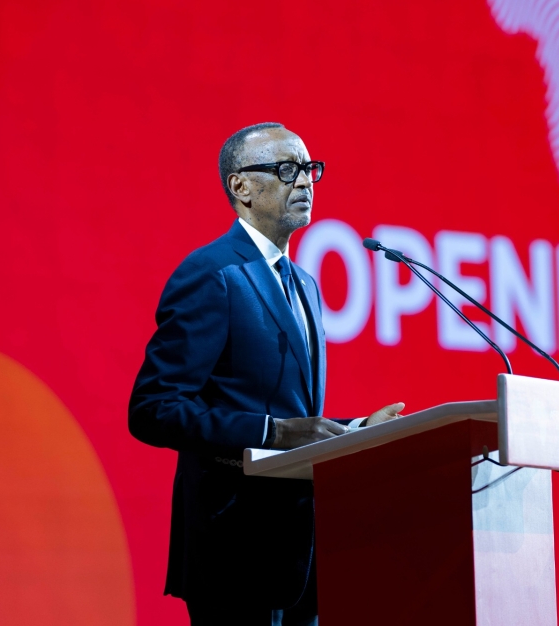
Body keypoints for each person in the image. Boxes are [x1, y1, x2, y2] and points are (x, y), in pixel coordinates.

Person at [129, 122, 403, 625]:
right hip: (233, 547)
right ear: (241, 187)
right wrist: (271, 433)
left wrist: (359, 429)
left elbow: (296, 418)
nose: (305, 182)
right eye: (286, 169)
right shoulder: (213, 274)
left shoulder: (305, 284)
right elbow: (153, 409)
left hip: (301, 551)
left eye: (310, 169)